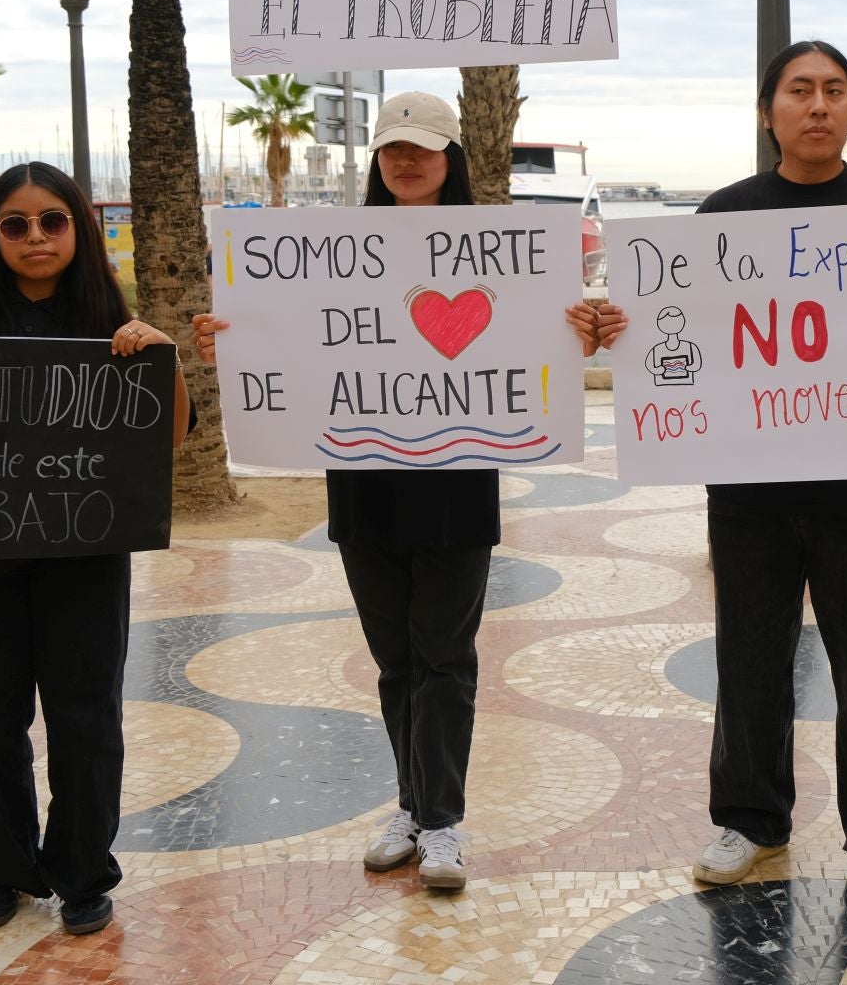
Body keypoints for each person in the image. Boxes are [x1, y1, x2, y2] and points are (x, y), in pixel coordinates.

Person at [195, 92, 602, 893]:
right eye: (391, 150)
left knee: (444, 657)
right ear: (376, 162)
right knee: (394, 661)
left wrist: (585, 327)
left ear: (452, 157)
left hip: (455, 488)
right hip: (365, 486)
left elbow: (542, 339)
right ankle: (412, 805)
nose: (405, 162)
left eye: (422, 148)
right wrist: (235, 341)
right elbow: (287, 336)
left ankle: (442, 820)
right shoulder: (333, 252)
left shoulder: (501, 251)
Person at [577, 40, 847, 910]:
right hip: (749, 494)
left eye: (834, 91)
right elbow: (675, 331)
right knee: (749, 660)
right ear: (768, 110)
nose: (817, 106)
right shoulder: (723, 214)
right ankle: (749, 818)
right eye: (799, 90)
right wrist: (619, 326)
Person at [0, 161, 191, 937]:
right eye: (14, 224)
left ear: (77, 229)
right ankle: (3, 866)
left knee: (86, 718)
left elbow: (171, 432)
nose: (35, 237)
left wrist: (162, 358)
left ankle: (84, 872)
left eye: (52, 220)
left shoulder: (104, 314)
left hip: (84, 552)